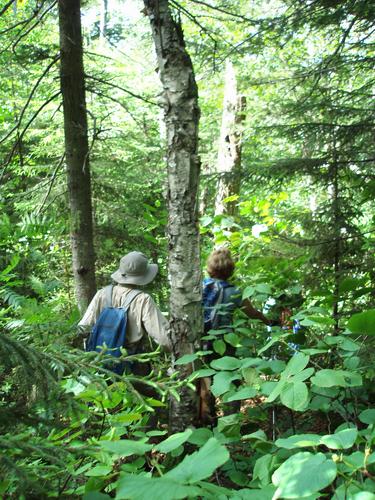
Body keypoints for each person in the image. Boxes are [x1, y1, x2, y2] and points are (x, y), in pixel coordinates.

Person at [199, 247, 271, 424]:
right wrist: (270, 321)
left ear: (210, 267)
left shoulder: (199, 287)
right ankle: (231, 420)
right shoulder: (235, 292)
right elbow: (252, 313)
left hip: (202, 340)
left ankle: (209, 419)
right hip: (225, 341)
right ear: (230, 269)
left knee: (204, 379)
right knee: (230, 378)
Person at [78, 251, 171, 362]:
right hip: (131, 363)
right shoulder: (142, 299)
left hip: (98, 361)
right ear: (143, 275)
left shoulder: (102, 293)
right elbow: (164, 339)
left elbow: (83, 328)